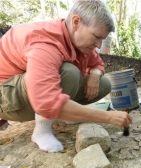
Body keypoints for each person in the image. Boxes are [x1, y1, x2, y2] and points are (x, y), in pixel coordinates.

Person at [0, 0, 132, 152]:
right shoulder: (45, 42)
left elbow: (98, 63)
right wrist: (108, 117)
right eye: (96, 37)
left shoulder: (78, 41)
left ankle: (67, 114)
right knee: (69, 73)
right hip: (6, 98)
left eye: (102, 39)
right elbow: (47, 101)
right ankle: (42, 131)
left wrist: (95, 75)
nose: (98, 45)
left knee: (104, 83)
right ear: (76, 22)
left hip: (24, 91)